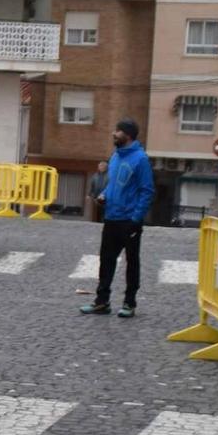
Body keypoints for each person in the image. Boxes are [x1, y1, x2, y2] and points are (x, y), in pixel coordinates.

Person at [80, 119, 154, 318]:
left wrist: (136, 219)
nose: (114, 133)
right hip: (111, 217)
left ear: (128, 135)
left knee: (132, 262)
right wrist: (104, 195)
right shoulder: (115, 157)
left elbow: (147, 191)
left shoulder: (141, 159)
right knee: (106, 261)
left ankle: (129, 303)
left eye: (118, 131)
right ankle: (102, 302)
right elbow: (112, 185)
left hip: (129, 220)